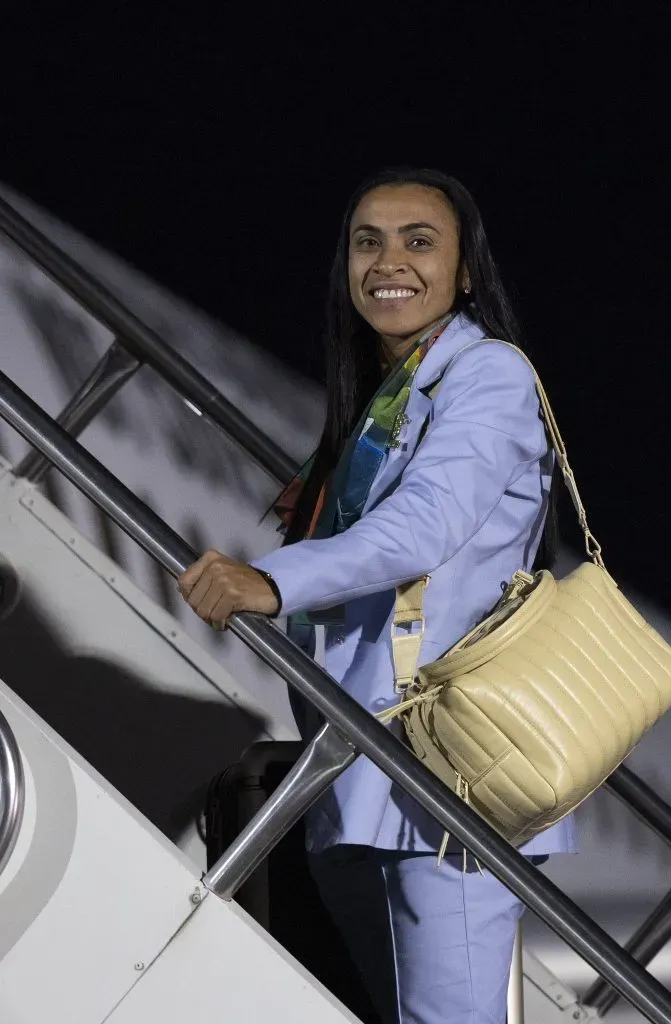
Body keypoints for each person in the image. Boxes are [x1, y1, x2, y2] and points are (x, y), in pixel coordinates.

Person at [179, 167, 577, 1024]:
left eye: (418, 242)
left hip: (449, 782)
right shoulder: (384, 400)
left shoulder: (488, 376)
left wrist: (272, 581)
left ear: (464, 273)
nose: (388, 261)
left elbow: (425, 525)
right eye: (368, 242)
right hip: (363, 772)